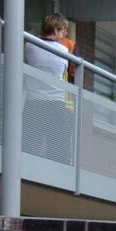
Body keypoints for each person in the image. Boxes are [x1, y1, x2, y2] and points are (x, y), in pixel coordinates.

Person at [23, 14, 72, 159]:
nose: (65, 34)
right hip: (56, 103)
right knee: (57, 147)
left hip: (33, 102)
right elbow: (64, 72)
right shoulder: (63, 50)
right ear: (56, 30)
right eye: (64, 30)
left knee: (30, 143)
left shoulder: (29, 46)